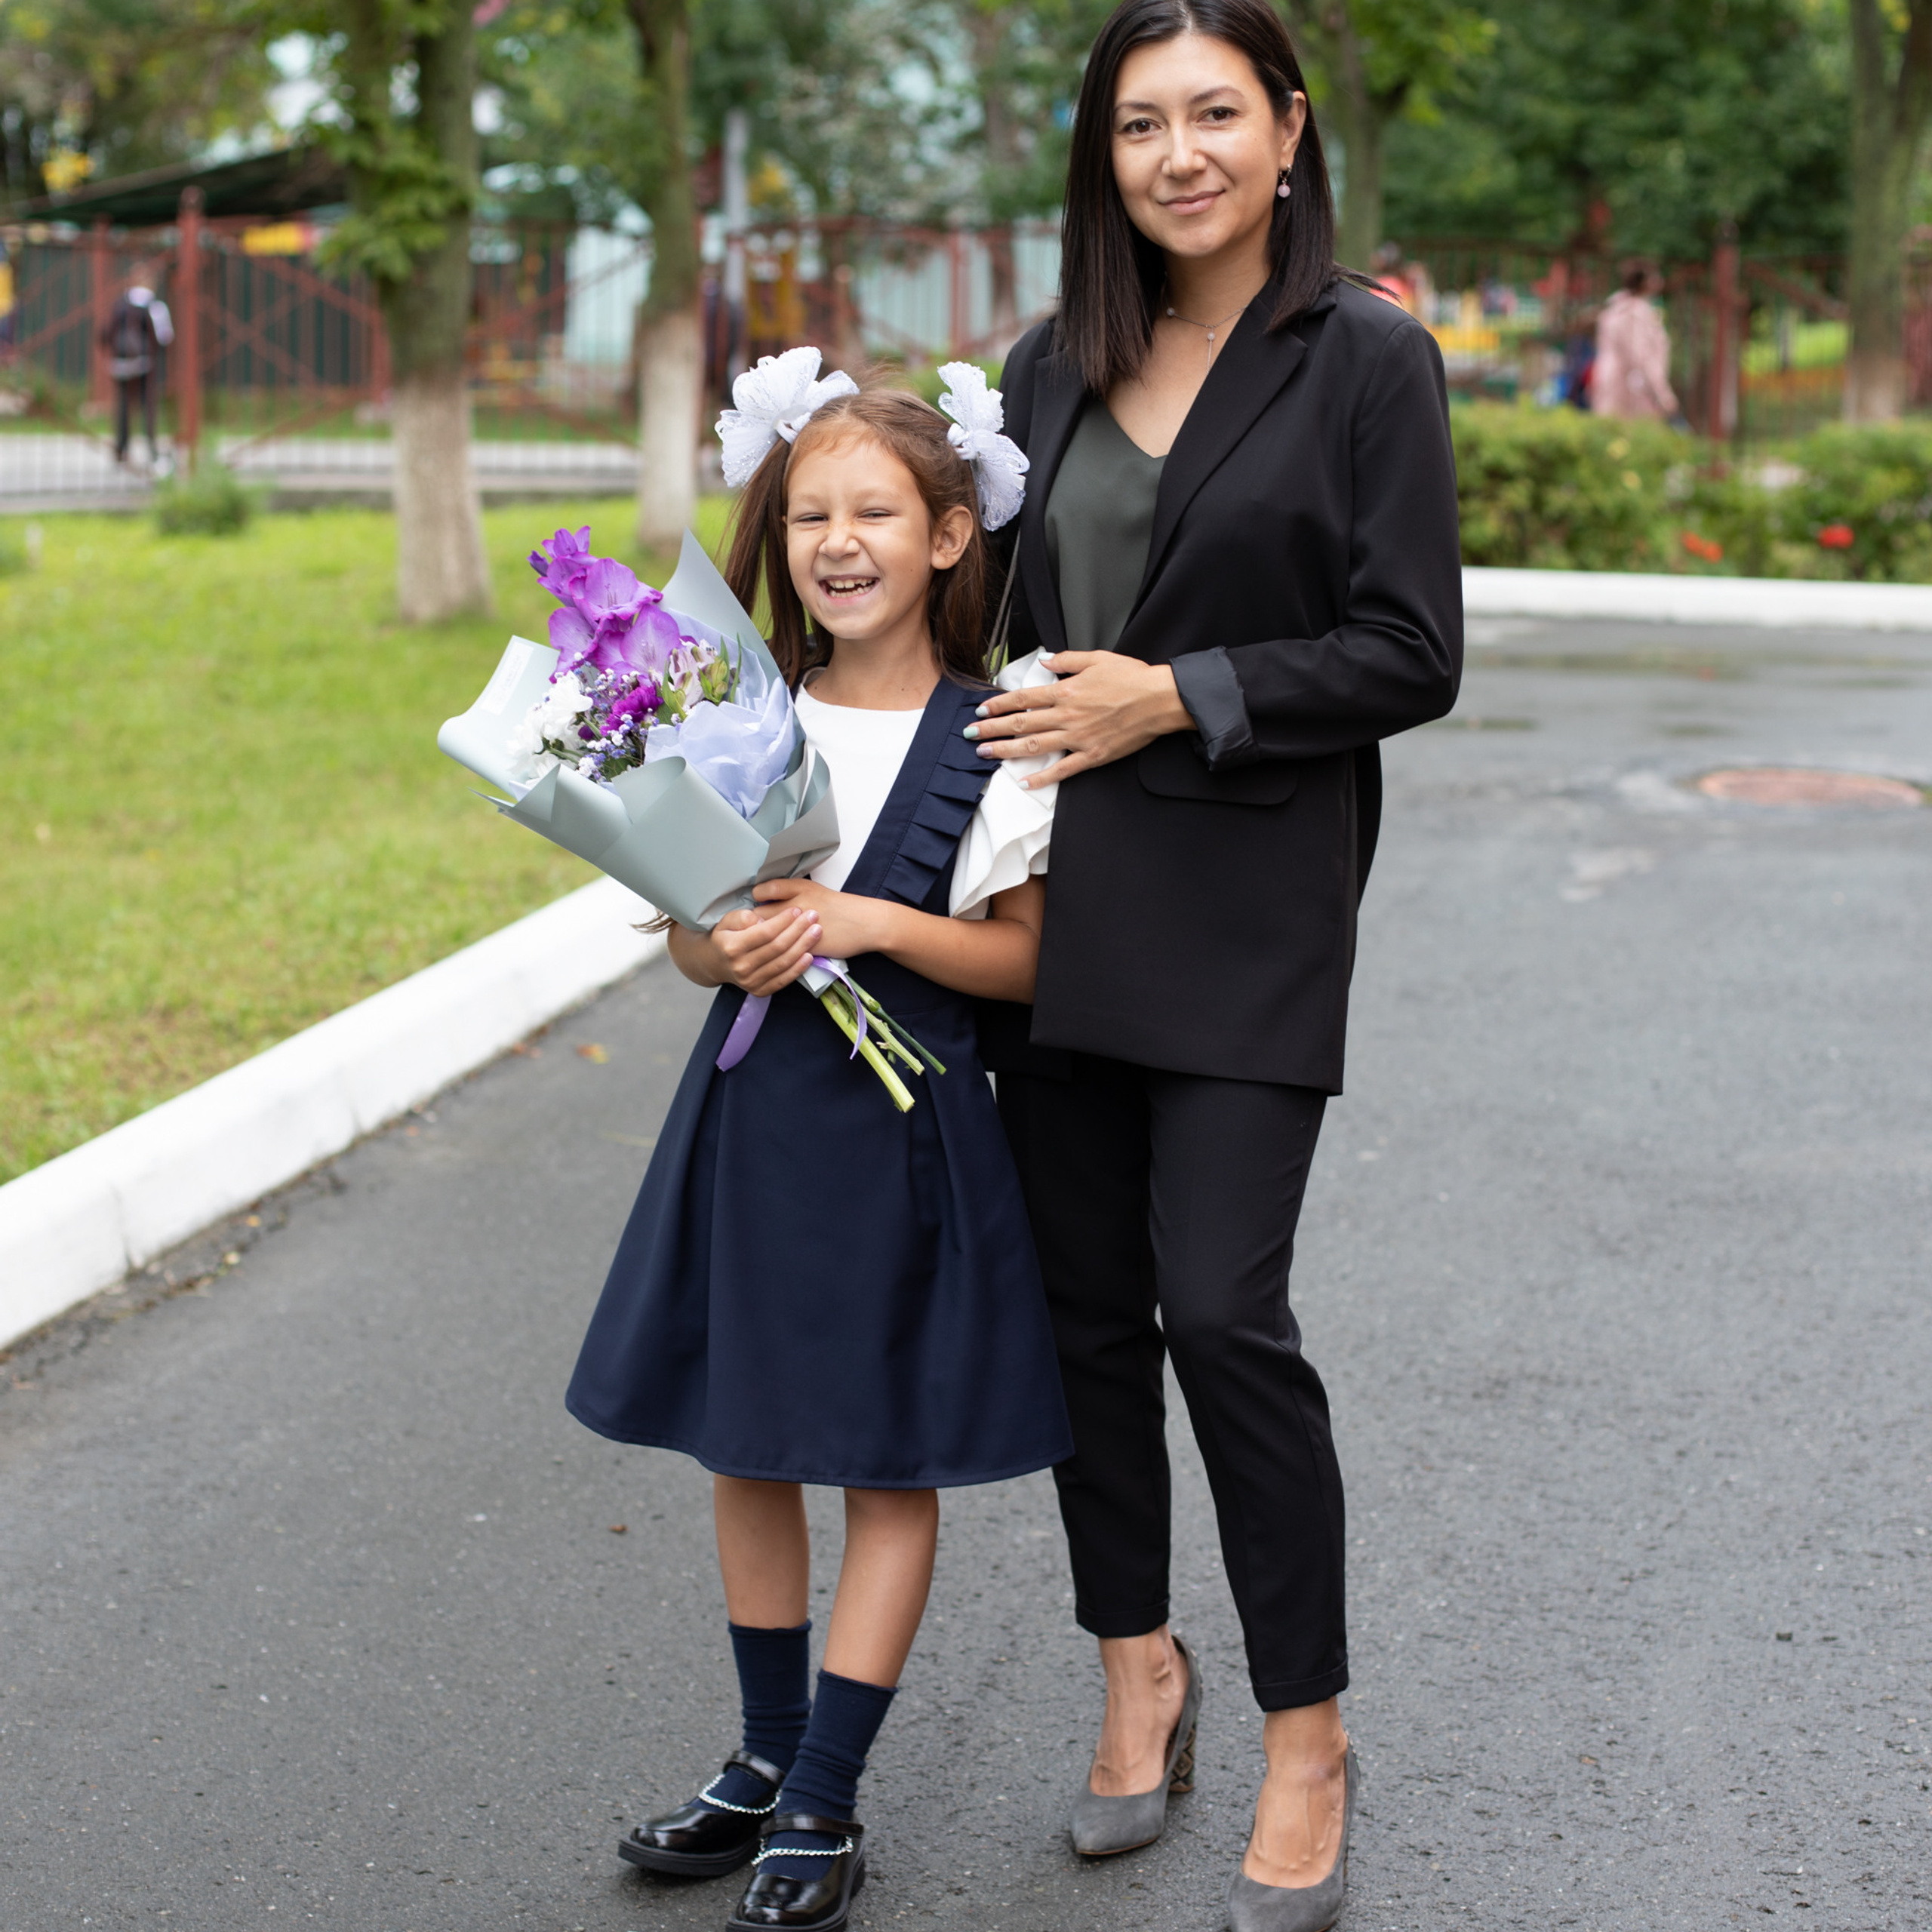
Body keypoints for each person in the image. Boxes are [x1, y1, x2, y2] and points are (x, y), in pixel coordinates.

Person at [967, 2, 1463, 1927]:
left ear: (1284, 130)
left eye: (1212, 117)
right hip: (1047, 913)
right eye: (1137, 123)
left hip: (1248, 912)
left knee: (1216, 1310)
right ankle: (1132, 1670)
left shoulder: (1363, 360)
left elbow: (1406, 648)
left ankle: (1304, 1735)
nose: (1176, 154)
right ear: (1100, 152)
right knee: (1082, 1317)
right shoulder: (1047, 362)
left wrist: (1178, 694)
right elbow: (981, 615)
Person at [565, 368, 1070, 1932]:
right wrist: (723, 945)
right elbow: (685, 946)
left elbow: (1025, 966)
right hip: (756, 1122)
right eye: (808, 515)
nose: (836, 542)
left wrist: (863, 921)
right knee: (749, 1436)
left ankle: (828, 1791)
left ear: (944, 533)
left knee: (883, 1455)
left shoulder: (996, 727)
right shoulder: (730, 714)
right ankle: (762, 1755)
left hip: (909, 1139)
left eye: (872, 515)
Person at [99, 281, 174, 468]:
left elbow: (106, 333)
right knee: (148, 407)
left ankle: (121, 450)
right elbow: (164, 336)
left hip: (121, 363)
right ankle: (151, 448)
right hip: (144, 363)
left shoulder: (120, 304)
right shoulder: (155, 305)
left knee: (123, 406)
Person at [1592, 261, 1677, 420]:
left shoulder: (1615, 308)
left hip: (1611, 382)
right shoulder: (1636, 313)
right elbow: (1641, 356)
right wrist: (1662, 393)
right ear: (1644, 282)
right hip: (1630, 391)